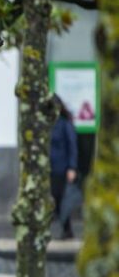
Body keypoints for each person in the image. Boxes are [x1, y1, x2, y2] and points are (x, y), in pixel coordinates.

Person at [50, 95, 79, 239]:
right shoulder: (47, 124)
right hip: (49, 167)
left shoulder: (64, 123)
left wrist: (72, 167)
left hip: (61, 168)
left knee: (61, 198)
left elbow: (72, 146)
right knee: (54, 198)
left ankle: (67, 229)